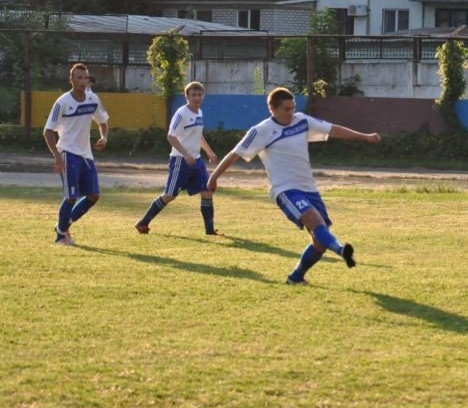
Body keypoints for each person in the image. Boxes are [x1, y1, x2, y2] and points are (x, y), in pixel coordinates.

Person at [207, 87, 381, 284]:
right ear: (272, 108)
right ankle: (341, 250)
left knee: (319, 243)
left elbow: (332, 129)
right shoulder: (261, 130)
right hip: (285, 190)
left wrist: (365, 137)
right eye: (286, 109)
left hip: (309, 188)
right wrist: (214, 177)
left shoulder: (302, 121)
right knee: (316, 222)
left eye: (293, 108)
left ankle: (296, 277)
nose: (291, 112)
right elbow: (235, 153)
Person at [135, 81, 219, 235]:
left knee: (206, 191)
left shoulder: (199, 112)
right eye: (193, 95)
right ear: (186, 96)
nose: (197, 98)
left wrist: (209, 151)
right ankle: (143, 223)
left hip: (196, 160)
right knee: (170, 195)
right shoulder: (182, 113)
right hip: (181, 160)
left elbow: (198, 134)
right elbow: (171, 136)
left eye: (200, 95)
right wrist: (186, 155)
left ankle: (210, 231)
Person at [43, 63, 109, 246]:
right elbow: (48, 131)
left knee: (94, 196)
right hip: (67, 152)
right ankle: (61, 236)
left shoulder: (93, 99)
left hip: (86, 155)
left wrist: (104, 137)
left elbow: (102, 121)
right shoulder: (62, 102)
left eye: (85, 78)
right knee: (71, 196)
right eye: (78, 77)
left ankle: (62, 225)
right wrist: (57, 155)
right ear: (71, 80)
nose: (82, 81)